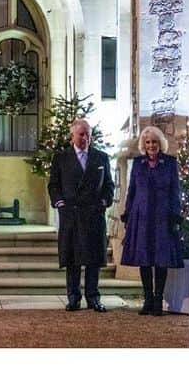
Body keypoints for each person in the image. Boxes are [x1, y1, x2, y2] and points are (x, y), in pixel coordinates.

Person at [49, 118, 114, 312]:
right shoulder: (61, 158)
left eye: (87, 134)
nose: (85, 137)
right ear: (73, 136)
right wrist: (60, 203)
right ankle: (73, 297)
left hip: (94, 214)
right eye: (81, 134)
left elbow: (109, 185)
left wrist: (104, 202)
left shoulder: (101, 157)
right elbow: (54, 184)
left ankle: (93, 297)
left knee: (93, 259)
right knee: (72, 259)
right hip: (71, 214)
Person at [119, 125, 183, 316]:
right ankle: (147, 300)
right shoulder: (138, 163)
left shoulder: (170, 163)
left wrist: (175, 214)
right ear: (143, 144)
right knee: (144, 259)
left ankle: (158, 300)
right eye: (147, 142)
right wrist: (128, 214)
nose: (151, 145)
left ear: (160, 143)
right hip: (142, 216)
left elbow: (175, 192)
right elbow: (132, 191)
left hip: (162, 217)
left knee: (160, 260)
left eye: (154, 142)